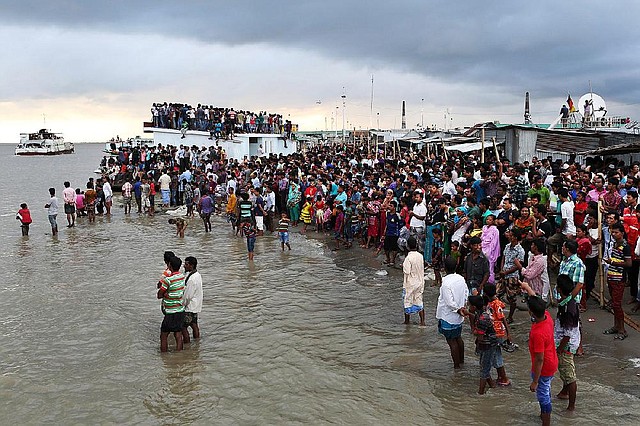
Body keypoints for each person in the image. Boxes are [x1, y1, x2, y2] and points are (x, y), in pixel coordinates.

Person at [521, 282, 558, 426]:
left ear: (531, 313)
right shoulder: (547, 317)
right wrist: (527, 287)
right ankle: (543, 416)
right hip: (552, 362)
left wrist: (534, 381)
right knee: (546, 390)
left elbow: (539, 359)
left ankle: (546, 421)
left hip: (544, 367)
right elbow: (536, 299)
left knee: (543, 396)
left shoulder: (537, 333)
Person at [436, 256, 469, 369]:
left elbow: (449, 302)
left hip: (448, 316)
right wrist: (462, 307)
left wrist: (457, 309)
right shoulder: (461, 279)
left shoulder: (446, 283)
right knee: (458, 338)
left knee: (451, 341)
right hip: (459, 316)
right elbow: (466, 293)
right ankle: (461, 361)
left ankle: (456, 366)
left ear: (444, 268)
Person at [554, 274, 580, 411]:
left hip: (566, 345)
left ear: (559, 288)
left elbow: (568, 334)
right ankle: (564, 393)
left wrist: (560, 349)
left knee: (569, 375)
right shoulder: (568, 302)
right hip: (566, 342)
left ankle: (571, 406)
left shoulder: (567, 308)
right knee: (565, 369)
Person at [603, 222, 631, 339]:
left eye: (616, 232)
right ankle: (616, 326)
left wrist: (613, 262)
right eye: (612, 232)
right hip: (611, 276)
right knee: (614, 304)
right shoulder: (614, 244)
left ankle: (622, 330)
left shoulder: (625, 246)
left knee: (617, 304)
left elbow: (629, 263)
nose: (613, 234)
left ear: (622, 233)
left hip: (619, 278)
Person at [469, 295, 500, 394]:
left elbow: (479, 335)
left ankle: (480, 393)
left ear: (473, 306)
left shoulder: (482, 318)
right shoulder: (482, 313)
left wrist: (475, 331)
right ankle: (492, 386)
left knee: (484, 370)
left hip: (487, 345)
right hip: (487, 344)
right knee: (484, 366)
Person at [157, 256, 186, 352]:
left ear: (170, 265)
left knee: (164, 335)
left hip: (170, 311)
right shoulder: (182, 277)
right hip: (180, 310)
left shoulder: (168, 280)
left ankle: (164, 357)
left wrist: (166, 294)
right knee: (178, 334)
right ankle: (180, 355)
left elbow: (159, 295)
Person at [498, 229, 525, 324]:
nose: (509, 236)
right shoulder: (507, 246)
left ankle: (510, 316)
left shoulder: (520, 250)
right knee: (497, 294)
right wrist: (502, 270)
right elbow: (503, 258)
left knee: (512, 297)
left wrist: (506, 272)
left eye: (511, 235)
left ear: (516, 237)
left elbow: (518, 266)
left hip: (512, 276)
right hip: (504, 274)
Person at [402, 236, 425, 326]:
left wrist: (402, 266)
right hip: (420, 282)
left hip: (410, 283)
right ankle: (422, 322)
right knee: (419, 301)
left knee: (407, 301)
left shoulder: (408, 258)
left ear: (407, 246)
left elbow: (407, 271)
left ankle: (407, 322)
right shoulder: (420, 256)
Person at [182, 256, 203, 344]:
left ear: (191, 265)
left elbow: (187, 296)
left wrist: (182, 304)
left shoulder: (191, 279)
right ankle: (197, 343)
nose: (184, 266)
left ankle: (187, 345)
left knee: (183, 327)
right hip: (196, 306)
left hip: (189, 307)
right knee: (194, 325)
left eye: (186, 264)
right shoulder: (197, 275)